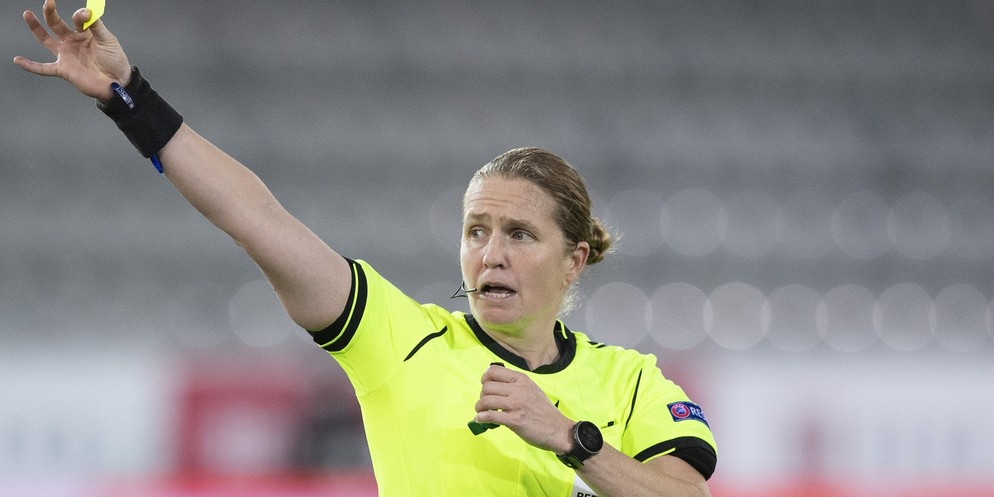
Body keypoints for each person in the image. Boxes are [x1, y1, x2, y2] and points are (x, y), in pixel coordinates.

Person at [13, 1, 717, 496]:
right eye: (476, 230)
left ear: (574, 260)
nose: (490, 254)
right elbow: (256, 219)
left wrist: (570, 438)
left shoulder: (632, 382)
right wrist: (130, 99)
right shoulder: (401, 340)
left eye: (520, 234)